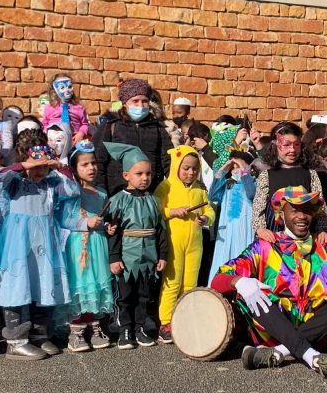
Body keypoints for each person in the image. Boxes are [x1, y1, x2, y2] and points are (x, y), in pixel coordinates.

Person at [212, 186, 327, 380]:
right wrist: (239, 281)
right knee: (250, 291)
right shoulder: (263, 247)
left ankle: (280, 352)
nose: (302, 216)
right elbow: (218, 280)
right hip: (273, 330)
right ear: (282, 214)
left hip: (319, 332)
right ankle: (312, 357)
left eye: (307, 210)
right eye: (295, 210)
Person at [0, 130, 77, 360]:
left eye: (43, 167)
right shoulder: (15, 182)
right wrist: (26, 164)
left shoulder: (51, 183)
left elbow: (73, 190)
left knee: (41, 284)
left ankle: (38, 334)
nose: (40, 171)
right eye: (35, 167)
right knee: (17, 287)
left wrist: (57, 166)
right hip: (19, 245)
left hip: (44, 244)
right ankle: (15, 340)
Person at [104, 142, 168, 349]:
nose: (145, 178)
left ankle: (140, 328)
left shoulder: (153, 201)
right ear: (126, 176)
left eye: (148, 173)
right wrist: (114, 258)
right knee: (125, 296)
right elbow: (113, 232)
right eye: (139, 173)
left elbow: (161, 230)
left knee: (143, 296)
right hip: (127, 257)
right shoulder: (118, 201)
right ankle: (125, 330)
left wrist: (162, 255)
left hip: (148, 258)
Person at [155, 145, 215, 344]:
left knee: (190, 283)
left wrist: (205, 219)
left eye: (194, 169)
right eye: (186, 168)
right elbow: (155, 211)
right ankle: (166, 321)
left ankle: (186, 318)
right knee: (172, 282)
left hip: (195, 244)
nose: (190, 173)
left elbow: (210, 211)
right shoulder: (166, 187)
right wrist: (172, 212)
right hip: (172, 243)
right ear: (176, 166)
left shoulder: (200, 189)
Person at [61, 141, 115, 353]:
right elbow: (64, 219)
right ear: (74, 168)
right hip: (78, 245)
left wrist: (107, 227)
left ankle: (94, 325)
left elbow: (101, 219)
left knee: (95, 285)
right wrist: (85, 223)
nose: (91, 168)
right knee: (81, 284)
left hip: (97, 243)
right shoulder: (71, 192)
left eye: (93, 163)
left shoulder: (101, 193)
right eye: (84, 164)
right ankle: (76, 331)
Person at [251, 122, 327, 242]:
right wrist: (260, 229)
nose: (292, 150)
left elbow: (320, 204)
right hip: (275, 235)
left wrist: (322, 230)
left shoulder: (310, 174)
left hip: (305, 233)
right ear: (275, 146)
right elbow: (258, 207)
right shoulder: (267, 175)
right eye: (286, 145)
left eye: (296, 144)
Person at [94, 79, 172, 195]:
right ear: (125, 103)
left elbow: (168, 161)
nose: (140, 105)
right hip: (116, 194)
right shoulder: (111, 125)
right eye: (135, 101)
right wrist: (100, 190)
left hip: (149, 194)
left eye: (144, 101)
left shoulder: (157, 128)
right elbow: (98, 160)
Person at [208, 150, 256, 279]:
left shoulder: (253, 183)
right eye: (233, 167)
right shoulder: (227, 185)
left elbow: (251, 194)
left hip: (244, 230)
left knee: (242, 255)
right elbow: (212, 195)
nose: (236, 169)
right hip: (226, 230)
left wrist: (244, 171)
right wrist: (223, 170)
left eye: (239, 166)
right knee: (223, 257)